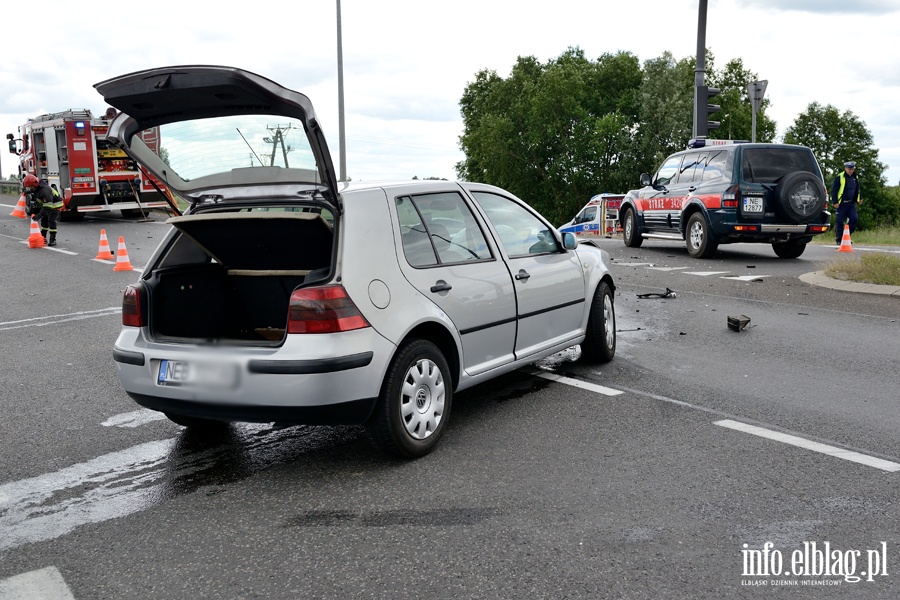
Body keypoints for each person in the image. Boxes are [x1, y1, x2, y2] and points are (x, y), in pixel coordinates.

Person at [23, 174, 64, 246]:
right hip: (47, 204)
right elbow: (36, 191)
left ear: (35, 184)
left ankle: (52, 239)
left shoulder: (45, 190)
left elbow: (48, 206)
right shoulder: (37, 186)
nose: (30, 188)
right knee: (44, 221)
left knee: (51, 221)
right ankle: (43, 238)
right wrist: (28, 192)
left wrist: (39, 215)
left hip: (55, 205)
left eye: (30, 187)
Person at [831, 161, 862, 245]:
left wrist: (860, 198)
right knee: (839, 221)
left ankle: (846, 235)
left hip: (851, 203)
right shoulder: (840, 177)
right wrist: (835, 202)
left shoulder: (855, 177)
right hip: (841, 203)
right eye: (849, 169)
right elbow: (834, 190)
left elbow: (857, 189)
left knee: (854, 219)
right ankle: (839, 239)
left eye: (852, 169)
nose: (850, 170)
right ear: (845, 168)